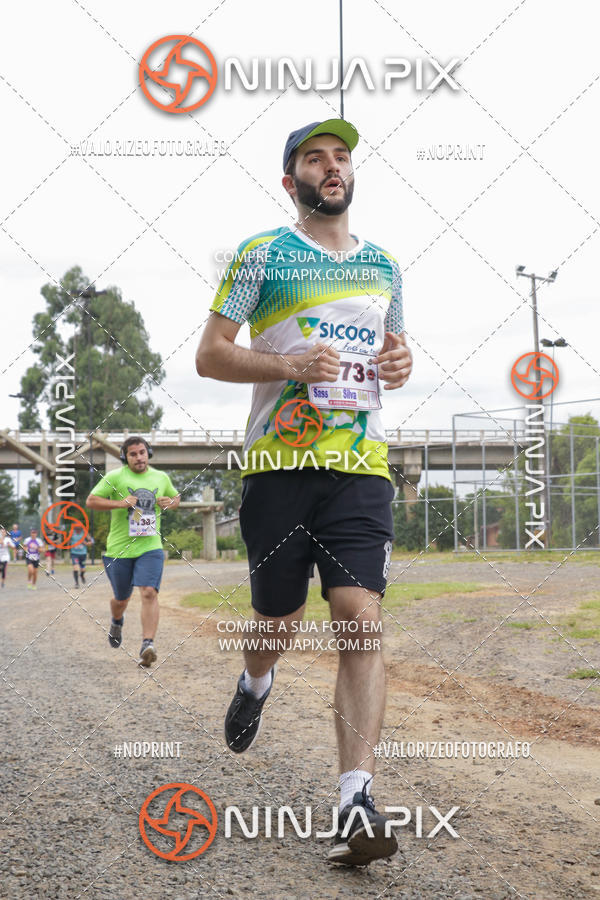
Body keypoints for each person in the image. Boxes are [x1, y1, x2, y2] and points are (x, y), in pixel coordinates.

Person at [195, 119, 412, 866]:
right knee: (277, 618)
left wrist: (400, 365)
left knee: (360, 618)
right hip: (278, 468)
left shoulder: (385, 266)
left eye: (341, 156)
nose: (332, 166)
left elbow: (393, 354)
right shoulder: (262, 254)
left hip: (360, 466)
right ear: (293, 182)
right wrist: (291, 366)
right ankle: (255, 683)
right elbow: (211, 355)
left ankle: (356, 797)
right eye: (315, 158)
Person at [86, 437, 180, 667]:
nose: (139, 457)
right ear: (125, 457)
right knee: (121, 599)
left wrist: (169, 502)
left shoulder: (161, 477)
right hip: (119, 550)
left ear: (149, 453)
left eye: (142, 452)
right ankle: (117, 620)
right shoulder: (115, 477)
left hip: (150, 547)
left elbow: (176, 498)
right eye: (133, 454)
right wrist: (120, 503)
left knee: (149, 592)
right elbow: (91, 501)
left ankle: (147, 644)